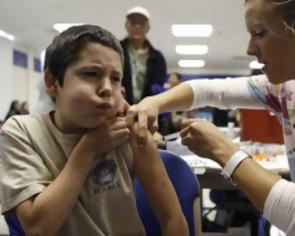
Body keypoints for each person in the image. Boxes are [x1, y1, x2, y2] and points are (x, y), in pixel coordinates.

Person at [127, 0, 295, 235]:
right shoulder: (289, 90)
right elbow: (211, 91)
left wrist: (224, 152)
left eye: (260, 33)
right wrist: (153, 102)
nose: (250, 48)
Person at [0, 25, 189, 236]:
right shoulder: (21, 132)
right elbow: (38, 228)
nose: (107, 88)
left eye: (115, 78)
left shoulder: (129, 130)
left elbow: (173, 220)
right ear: (52, 82)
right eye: (91, 73)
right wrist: (90, 147)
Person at [121, 6, 167, 105]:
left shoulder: (157, 58)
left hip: (147, 110)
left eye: (141, 23)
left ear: (148, 27)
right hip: (118, 108)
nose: (137, 26)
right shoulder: (116, 50)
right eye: (133, 22)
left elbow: (158, 87)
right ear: (126, 25)